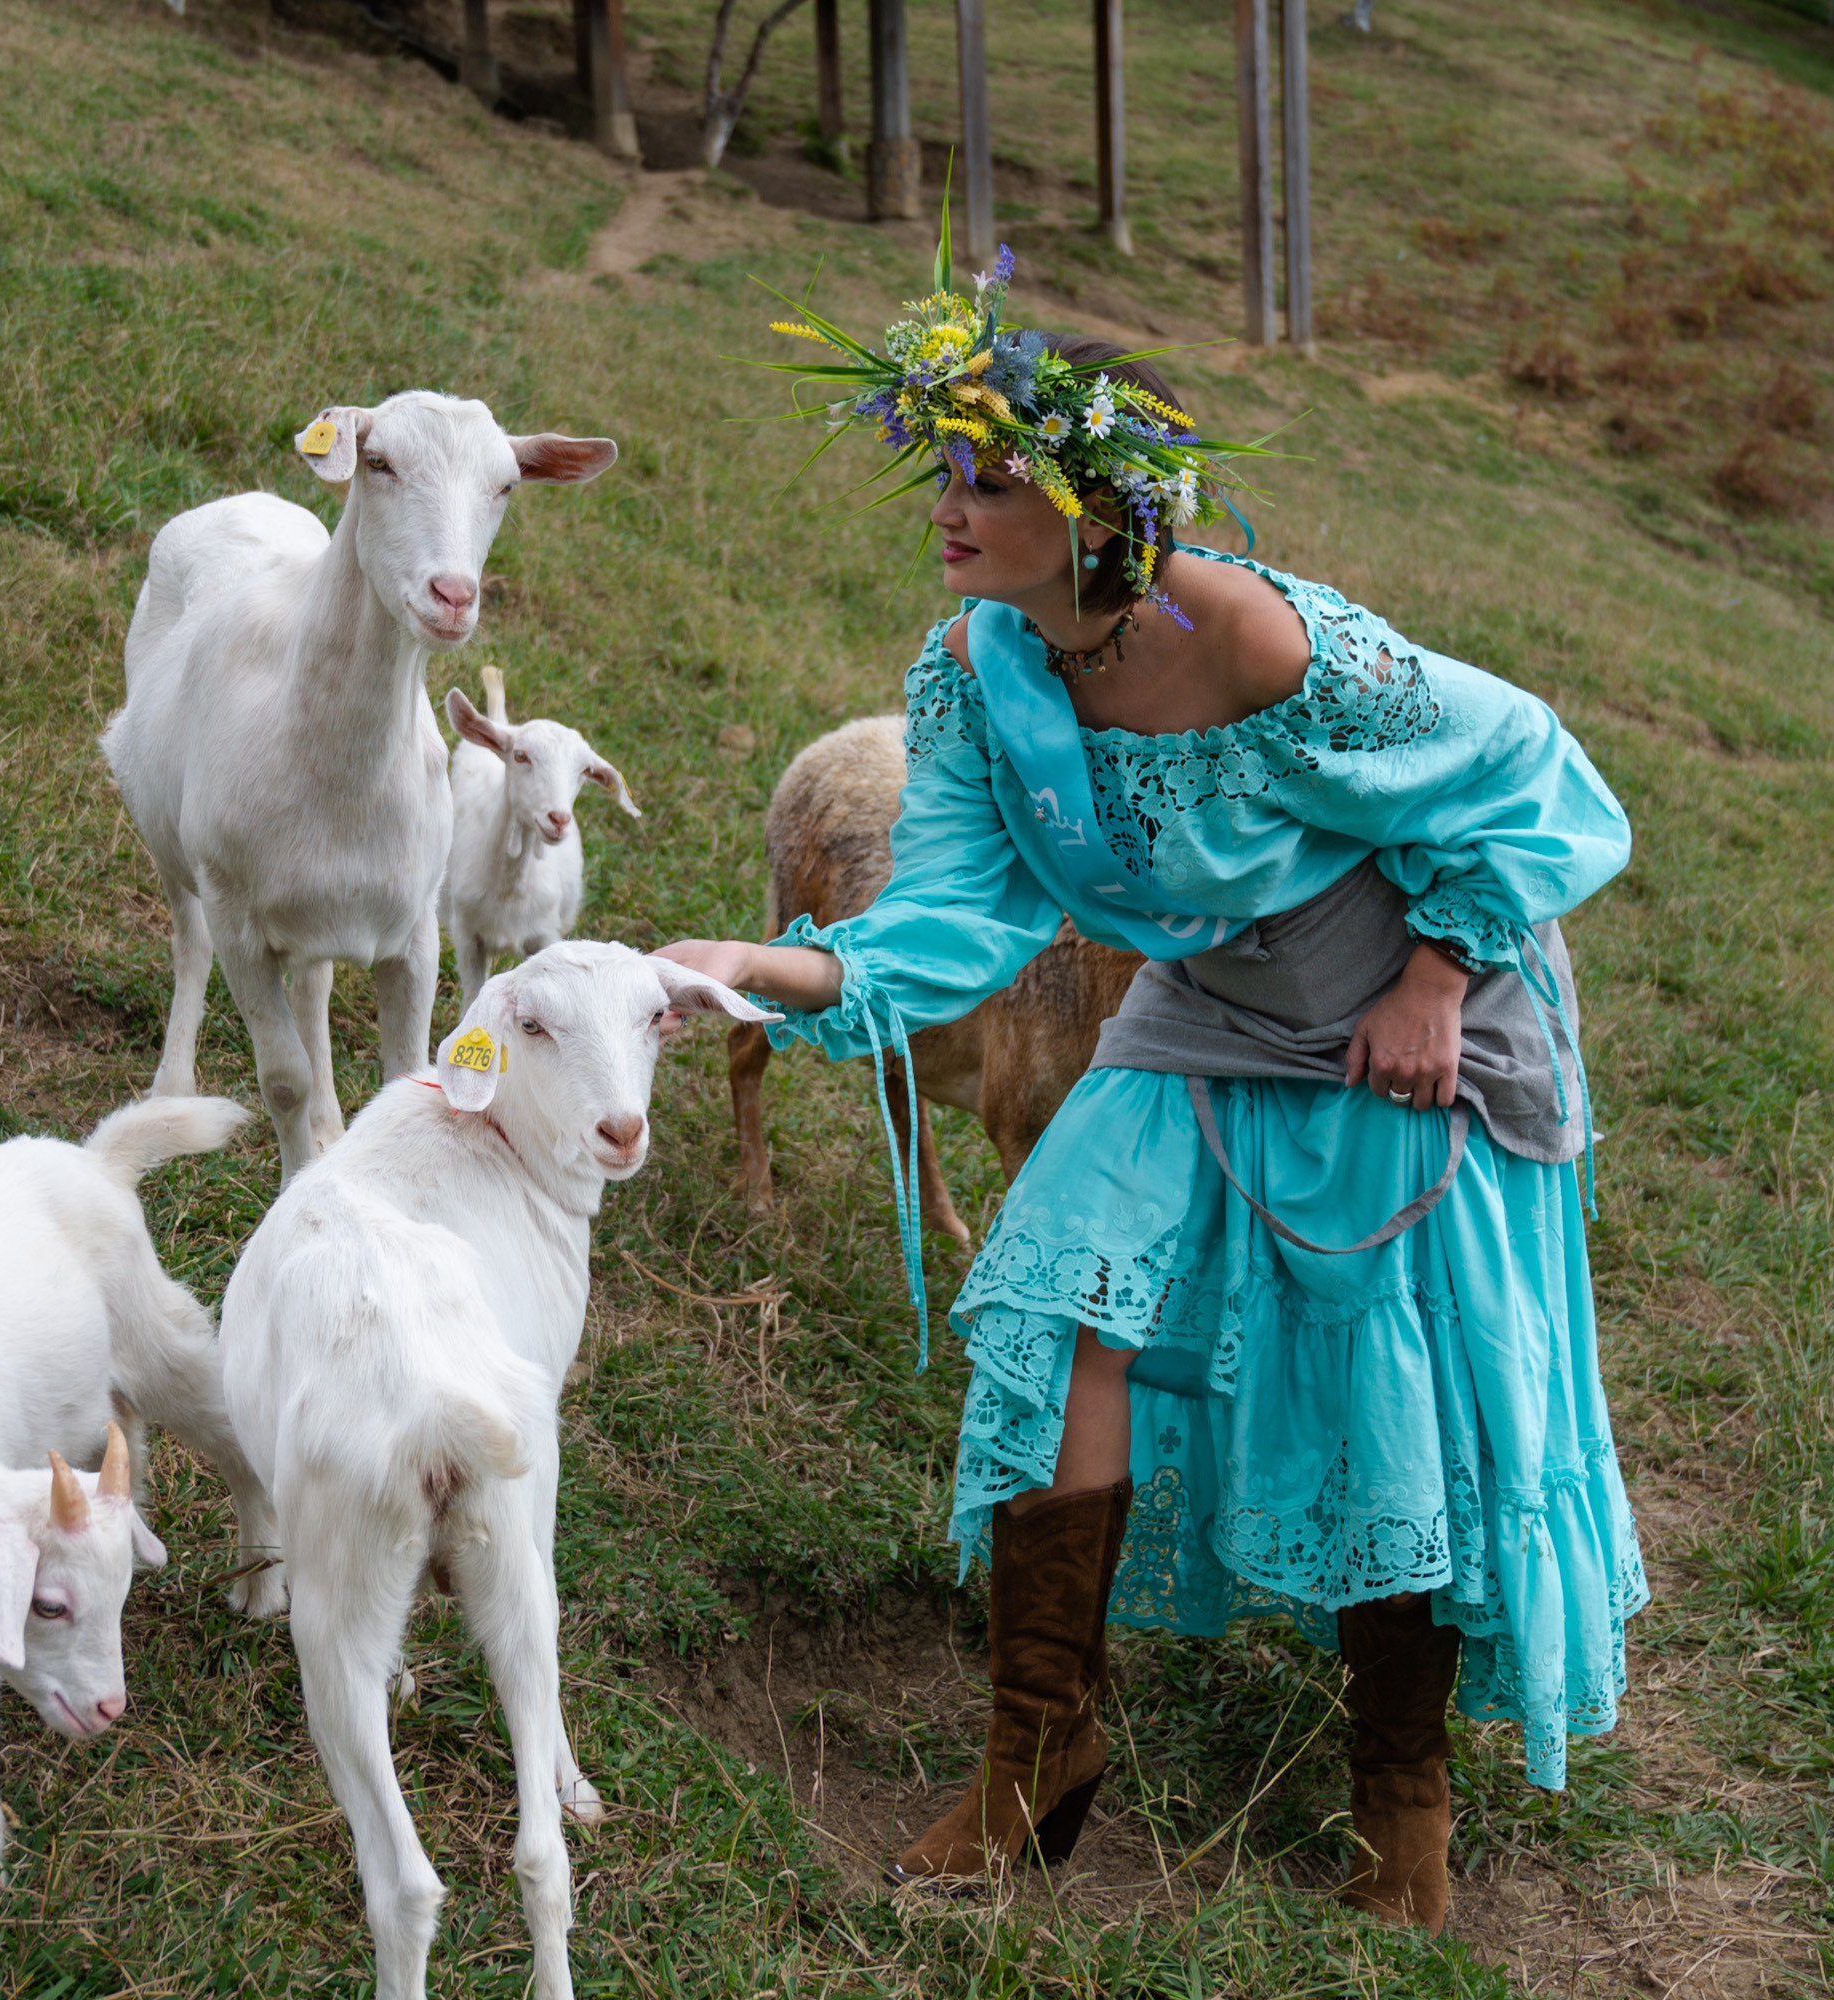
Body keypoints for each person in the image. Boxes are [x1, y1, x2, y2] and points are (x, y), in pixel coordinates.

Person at [657, 241, 1646, 1931]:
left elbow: (1536, 775)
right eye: (944, 473)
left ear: (1105, 509)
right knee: (1058, 1306)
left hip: (1413, 1000)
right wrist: (770, 971)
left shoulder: (1262, 640)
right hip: (1210, 1002)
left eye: (989, 480)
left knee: (1381, 1367)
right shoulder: (977, 670)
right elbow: (954, 919)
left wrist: (1433, 972)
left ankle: (1400, 1814)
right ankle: (1038, 1756)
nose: (951, 509)